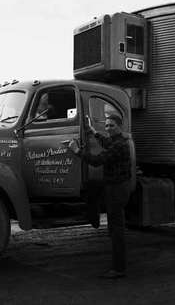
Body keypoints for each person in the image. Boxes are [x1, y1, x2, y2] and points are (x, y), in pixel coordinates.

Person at [68, 114, 132, 279]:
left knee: (117, 229)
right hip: (114, 185)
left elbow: (97, 160)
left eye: (112, 125)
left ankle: (119, 269)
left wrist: (77, 151)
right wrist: (94, 132)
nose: (108, 128)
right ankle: (94, 216)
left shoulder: (120, 145)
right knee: (92, 186)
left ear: (120, 126)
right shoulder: (116, 141)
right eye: (107, 125)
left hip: (117, 189)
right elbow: (106, 142)